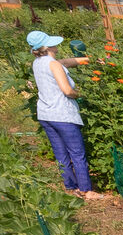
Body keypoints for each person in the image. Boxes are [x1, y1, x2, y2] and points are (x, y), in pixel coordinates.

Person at [29, 30, 94, 197]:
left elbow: (64, 62)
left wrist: (87, 60)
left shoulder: (38, 62)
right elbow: (67, 90)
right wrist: (80, 93)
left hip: (46, 115)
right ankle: (86, 190)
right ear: (49, 46)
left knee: (61, 153)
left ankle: (71, 187)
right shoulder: (54, 65)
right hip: (62, 115)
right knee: (77, 153)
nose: (57, 45)